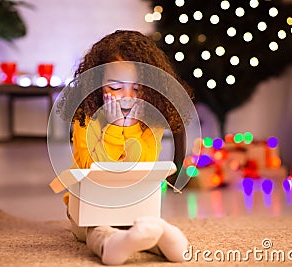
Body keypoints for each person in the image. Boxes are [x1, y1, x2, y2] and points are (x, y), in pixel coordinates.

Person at [56, 30, 194, 265]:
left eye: (138, 88)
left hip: (133, 202)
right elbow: (95, 169)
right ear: (97, 84)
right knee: (96, 229)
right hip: (89, 206)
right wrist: (113, 126)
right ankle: (111, 245)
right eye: (116, 87)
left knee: (143, 221)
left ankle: (161, 234)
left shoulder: (151, 119)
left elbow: (143, 166)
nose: (127, 97)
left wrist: (130, 128)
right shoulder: (86, 115)